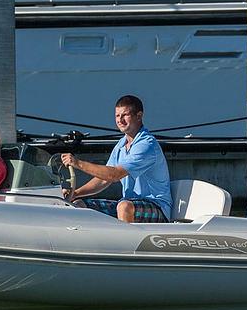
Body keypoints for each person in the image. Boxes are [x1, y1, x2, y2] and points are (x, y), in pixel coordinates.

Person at [60, 95, 171, 223]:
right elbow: (104, 179)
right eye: (117, 116)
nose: (120, 120)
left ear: (139, 116)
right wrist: (75, 193)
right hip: (128, 204)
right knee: (79, 205)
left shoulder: (146, 145)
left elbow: (114, 175)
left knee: (124, 207)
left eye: (125, 115)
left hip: (157, 207)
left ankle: (126, 237)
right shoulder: (121, 145)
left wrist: (78, 163)